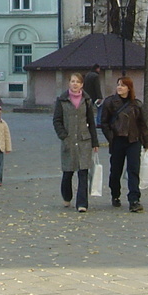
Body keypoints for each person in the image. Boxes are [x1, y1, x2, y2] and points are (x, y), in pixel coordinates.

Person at [98, 75, 148, 213]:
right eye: (118, 85)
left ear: (129, 88)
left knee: (133, 170)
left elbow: (142, 124)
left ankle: (134, 199)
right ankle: (115, 194)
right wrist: (111, 137)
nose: (119, 87)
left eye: (122, 85)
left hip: (133, 140)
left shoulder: (136, 104)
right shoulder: (110, 102)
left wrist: (146, 142)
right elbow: (103, 122)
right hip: (117, 140)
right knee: (116, 171)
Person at [52, 72, 99, 213]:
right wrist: (63, 136)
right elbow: (57, 120)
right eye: (72, 81)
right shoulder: (62, 100)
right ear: (69, 83)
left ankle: (82, 203)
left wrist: (95, 142)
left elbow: (91, 121)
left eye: (77, 82)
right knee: (68, 172)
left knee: (83, 172)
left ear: (82, 84)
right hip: (69, 140)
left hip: (84, 140)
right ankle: (67, 196)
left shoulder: (87, 100)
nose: (75, 84)